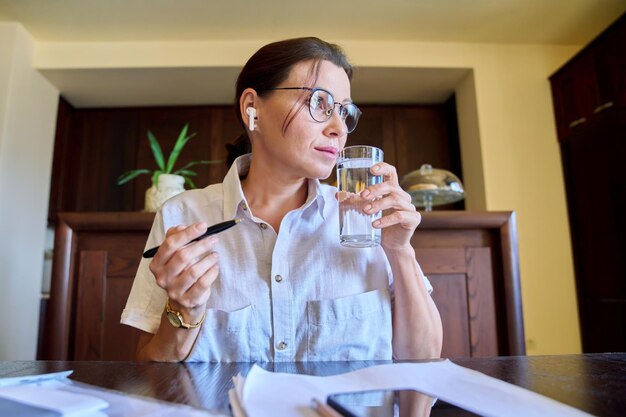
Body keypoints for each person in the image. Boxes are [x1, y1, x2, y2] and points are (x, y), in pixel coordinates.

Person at [121, 37, 442, 362]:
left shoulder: (366, 220)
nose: (338, 128)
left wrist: (400, 251)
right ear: (252, 107)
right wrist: (182, 309)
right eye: (320, 102)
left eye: (345, 112)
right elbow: (151, 373)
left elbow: (424, 360)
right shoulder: (183, 215)